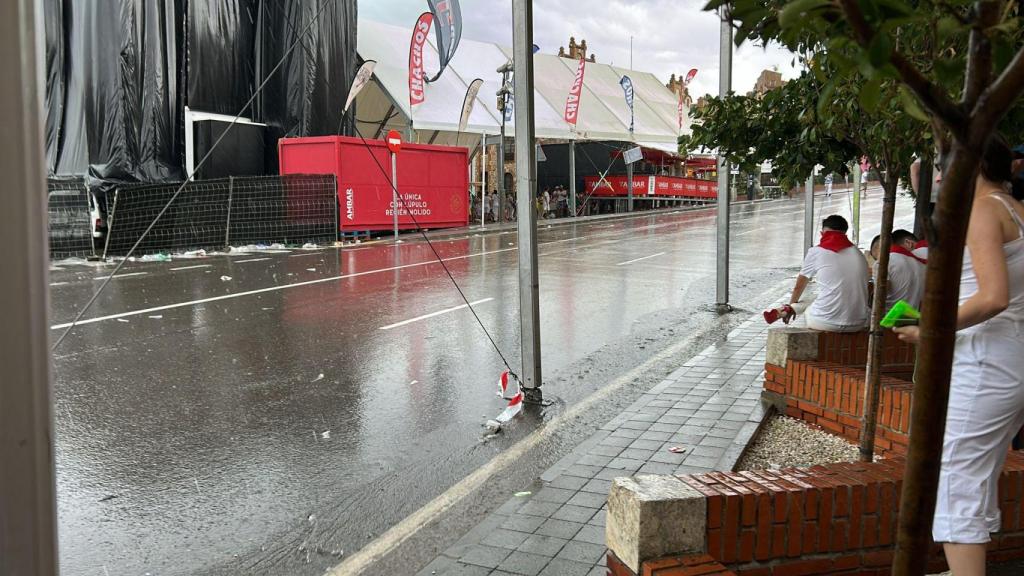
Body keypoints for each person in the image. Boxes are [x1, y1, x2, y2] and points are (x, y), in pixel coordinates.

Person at [895, 137, 1024, 576]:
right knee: (976, 471)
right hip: (1010, 358)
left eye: (940, 168)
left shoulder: (982, 211)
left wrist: (929, 330)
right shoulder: (1013, 208)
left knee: (954, 474)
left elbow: (993, 298)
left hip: (986, 360)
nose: (934, 177)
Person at [789, 215, 870, 332]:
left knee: (806, 308)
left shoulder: (816, 251)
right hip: (858, 322)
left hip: (825, 322)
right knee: (817, 298)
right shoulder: (858, 253)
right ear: (845, 232)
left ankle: (786, 310)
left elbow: (799, 287)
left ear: (822, 233)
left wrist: (791, 305)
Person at [874, 229, 927, 310]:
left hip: (890, 319)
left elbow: (879, 298)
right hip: (914, 318)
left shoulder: (884, 262)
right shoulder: (920, 263)